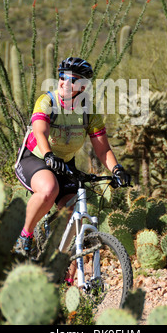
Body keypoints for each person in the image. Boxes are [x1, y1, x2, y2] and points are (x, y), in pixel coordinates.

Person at [15, 56, 131, 255]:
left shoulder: (89, 112)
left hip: (65, 163)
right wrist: (49, 155)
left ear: (83, 87)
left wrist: (117, 169)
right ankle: (25, 236)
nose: (65, 83)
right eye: (62, 77)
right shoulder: (47, 101)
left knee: (73, 213)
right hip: (35, 158)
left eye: (73, 79)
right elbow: (40, 132)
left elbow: (103, 150)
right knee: (49, 189)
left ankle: (65, 269)